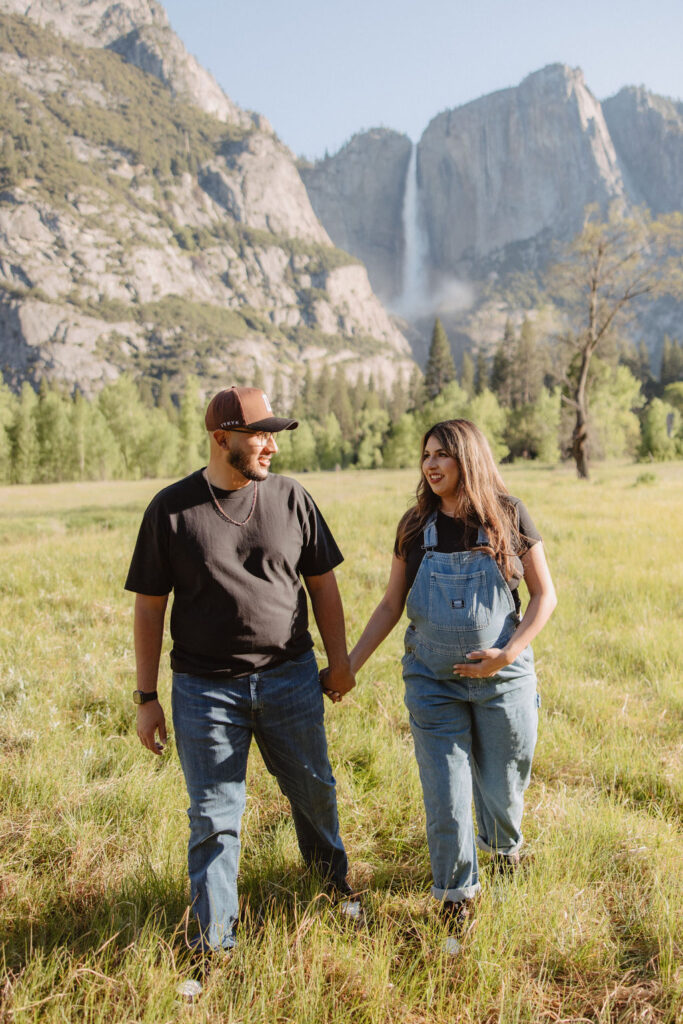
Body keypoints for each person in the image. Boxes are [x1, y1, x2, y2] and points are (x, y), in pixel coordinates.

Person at [125, 385, 357, 953]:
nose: (271, 446)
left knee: (315, 791)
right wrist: (146, 696)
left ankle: (332, 886)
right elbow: (149, 606)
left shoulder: (291, 498)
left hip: (291, 677)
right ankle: (214, 943)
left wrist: (341, 661)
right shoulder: (171, 509)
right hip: (204, 691)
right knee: (213, 816)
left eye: (273, 435)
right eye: (260, 434)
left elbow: (322, 585)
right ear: (220, 437)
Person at [347, 419, 556, 951]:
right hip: (432, 684)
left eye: (444, 454)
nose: (432, 465)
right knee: (446, 794)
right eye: (426, 455)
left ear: (470, 459)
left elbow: (543, 596)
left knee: (504, 788)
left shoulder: (508, 516)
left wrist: (507, 653)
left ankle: (504, 851)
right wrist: (349, 665)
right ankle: (455, 898)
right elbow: (392, 605)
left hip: (504, 679)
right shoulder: (415, 526)